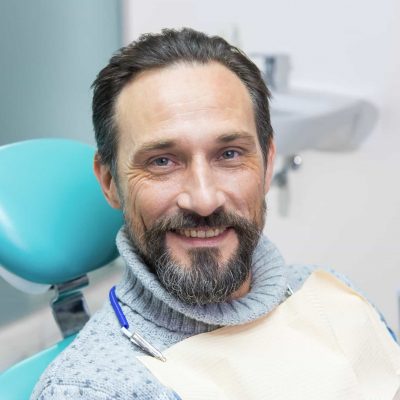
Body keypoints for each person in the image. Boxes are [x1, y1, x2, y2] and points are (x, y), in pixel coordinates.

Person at [32, 28, 399, 399]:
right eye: (162, 161)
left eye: (229, 154)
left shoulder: (329, 294)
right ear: (110, 181)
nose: (205, 200)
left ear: (268, 163)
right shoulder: (92, 388)